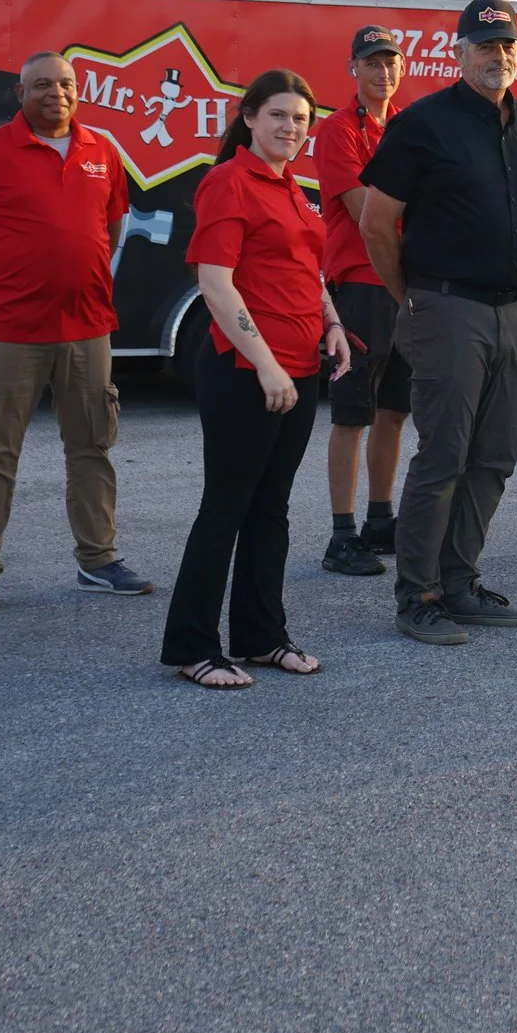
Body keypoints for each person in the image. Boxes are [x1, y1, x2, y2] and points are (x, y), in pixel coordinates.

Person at [360, 0, 517, 646]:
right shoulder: (422, 124)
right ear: (459, 52)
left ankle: (460, 582)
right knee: (443, 453)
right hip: (447, 306)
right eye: (486, 45)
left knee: (495, 454)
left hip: (515, 308)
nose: (499, 56)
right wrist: (413, 298)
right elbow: (376, 223)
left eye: (508, 45)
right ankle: (418, 595)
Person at [159, 71, 349, 689]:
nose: (290, 128)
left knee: (271, 509)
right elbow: (215, 283)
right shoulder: (229, 182)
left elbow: (307, 269)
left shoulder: (293, 187)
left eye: (300, 119)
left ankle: (262, 637)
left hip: (300, 368)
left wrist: (332, 323)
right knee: (226, 508)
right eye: (278, 115)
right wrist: (266, 363)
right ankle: (192, 646)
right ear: (248, 118)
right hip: (245, 371)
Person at [0, 52, 149, 613]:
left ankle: (97, 560)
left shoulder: (101, 150)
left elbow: (110, 226)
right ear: (19, 93)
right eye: (41, 85)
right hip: (14, 331)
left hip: (88, 327)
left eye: (65, 84)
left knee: (92, 447)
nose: (56, 93)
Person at [310, 26, 412, 578]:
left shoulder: (409, 127)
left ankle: (379, 519)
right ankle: (341, 535)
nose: (382, 71)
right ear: (354, 68)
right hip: (358, 285)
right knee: (352, 415)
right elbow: (361, 210)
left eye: (390, 61)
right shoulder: (336, 131)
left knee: (394, 411)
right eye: (372, 62)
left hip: (406, 286)